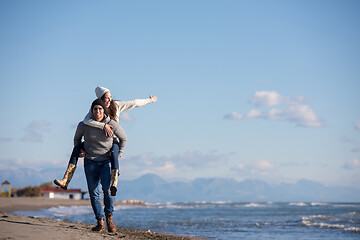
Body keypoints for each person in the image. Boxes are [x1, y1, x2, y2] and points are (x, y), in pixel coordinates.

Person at [54, 86, 158, 196]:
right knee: (76, 149)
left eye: (110, 97)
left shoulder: (116, 105)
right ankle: (65, 180)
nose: (109, 100)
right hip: (97, 140)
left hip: (113, 141)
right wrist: (103, 126)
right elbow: (86, 121)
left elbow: (134, 103)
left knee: (114, 153)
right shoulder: (96, 109)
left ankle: (114, 183)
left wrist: (149, 101)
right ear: (100, 98)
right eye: (106, 98)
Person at [74, 98, 127, 232]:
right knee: (94, 193)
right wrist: (79, 149)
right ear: (91, 110)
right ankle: (100, 221)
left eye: (100, 109)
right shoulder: (84, 125)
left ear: (104, 110)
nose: (97, 111)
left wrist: (119, 153)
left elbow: (124, 138)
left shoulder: (112, 124)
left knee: (108, 191)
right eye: (95, 109)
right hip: (90, 161)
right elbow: (76, 138)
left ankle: (109, 216)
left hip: (105, 162)